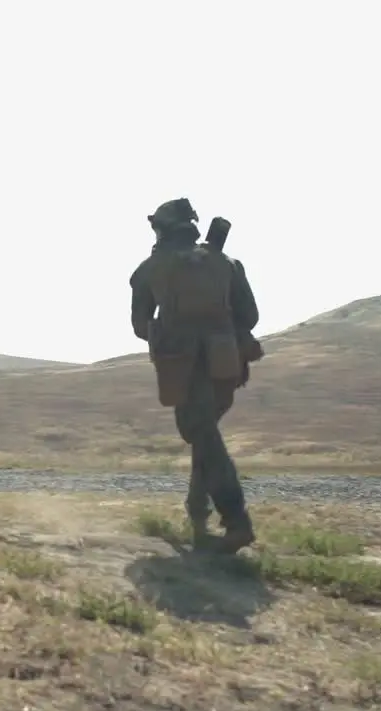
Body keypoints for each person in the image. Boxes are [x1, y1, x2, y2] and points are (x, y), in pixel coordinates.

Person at [129, 198, 259, 554]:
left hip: (181, 364)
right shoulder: (227, 263)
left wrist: (168, 330)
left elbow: (140, 324)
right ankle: (197, 512)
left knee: (201, 434)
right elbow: (249, 316)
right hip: (226, 364)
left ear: (162, 229)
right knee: (206, 433)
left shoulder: (150, 268)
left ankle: (236, 522)